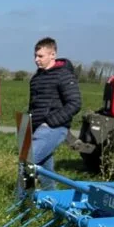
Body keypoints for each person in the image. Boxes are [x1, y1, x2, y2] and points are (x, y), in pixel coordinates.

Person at [28, 37, 82, 187]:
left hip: (54, 128)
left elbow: (75, 103)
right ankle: (51, 202)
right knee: (45, 171)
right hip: (37, 128)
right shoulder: (36, 78)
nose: (36, 60)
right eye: (35, 56)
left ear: (53, 55)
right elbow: (33, 105)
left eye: (40, 56)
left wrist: (50, 122)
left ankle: (22, 201)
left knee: (27, 160)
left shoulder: (63, 75)